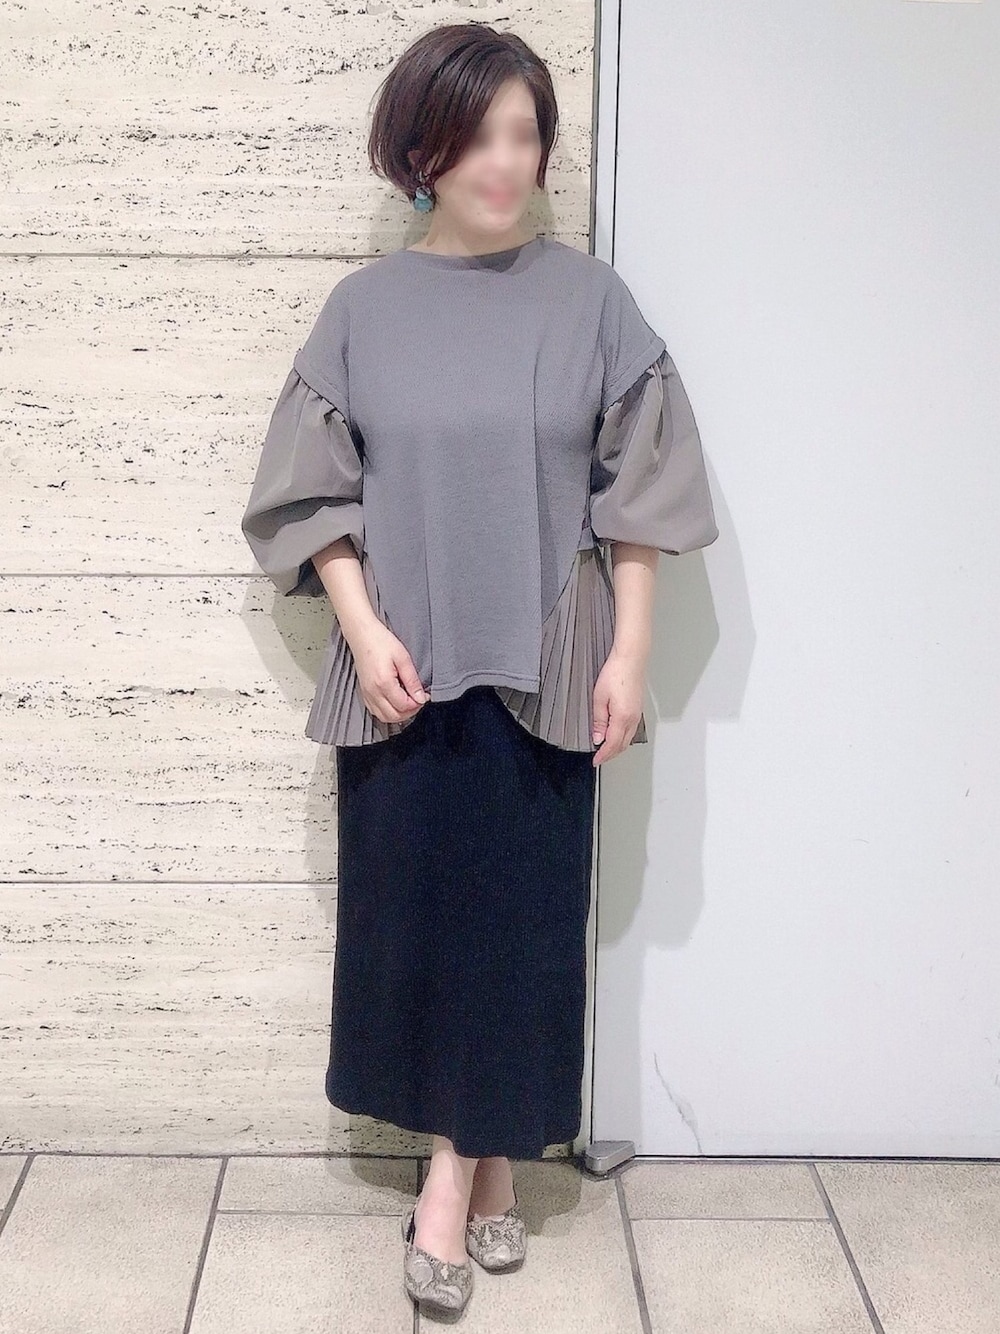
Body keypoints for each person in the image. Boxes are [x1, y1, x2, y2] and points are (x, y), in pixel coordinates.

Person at [241, 20, 719, 1321]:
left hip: (549, 666)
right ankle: (487, 1162)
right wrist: (357, 625)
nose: (505, 161)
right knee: (418, 928)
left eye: (525, 134)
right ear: (422, 152)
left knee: (522, 933)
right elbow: (311, 489)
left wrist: (629, 651)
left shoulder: (592, 302)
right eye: (476, 135)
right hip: (405, 669)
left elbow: (640, 492)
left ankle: (450, 1181)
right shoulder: (363, 311)